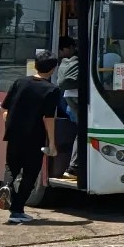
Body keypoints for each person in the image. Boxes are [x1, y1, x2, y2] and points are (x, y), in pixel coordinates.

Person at [0, 50, 60, 224]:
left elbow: (4, 110)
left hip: (13, 134)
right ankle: (17, 211)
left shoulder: (20, 82)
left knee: (11, 166)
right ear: (53, 69)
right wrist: (52, 143)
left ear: (35, 65)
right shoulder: (52, 89)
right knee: (30, 173)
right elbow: (48, 118)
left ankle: (6, 186)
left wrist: (11, 126)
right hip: (34, 137)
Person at [57, 36, 81, 179]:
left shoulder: (63, 62)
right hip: (79, 97)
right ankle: (74, 167)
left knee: (79, 128)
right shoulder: (79, 58)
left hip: (68, 96)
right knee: (82, 131)